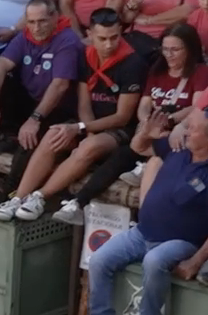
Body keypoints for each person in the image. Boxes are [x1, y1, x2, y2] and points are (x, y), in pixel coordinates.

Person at [80, 103, 208, 315]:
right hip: (141, 233)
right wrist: (146, 133)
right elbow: (138, 147)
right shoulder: (179, 149)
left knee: (154, 261)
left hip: (180, 241)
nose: (187, 131)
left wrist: (196, 261)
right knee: (99, 260)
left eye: (193, 129)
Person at [0, 8, 146, 221]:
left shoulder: (133, 63)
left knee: (89, 146)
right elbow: (84, 104)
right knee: (53, 135)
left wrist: (83, 130)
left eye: (114, 37)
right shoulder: (86, 56)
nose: (109, 44)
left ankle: (40, 197)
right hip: (88, 123)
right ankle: (18, 198)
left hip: (118, 129)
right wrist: (85, 129)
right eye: (102, 39)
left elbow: (122, 116)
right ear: (90, 35)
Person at [56, 24, 208, 224]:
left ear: (190, 49)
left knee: (155, 156)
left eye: (175, 50)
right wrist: (147, 122)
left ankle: (147, 219)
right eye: (165, 49)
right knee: (122, 155)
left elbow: (196, 107)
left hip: (177, 134)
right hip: (150, 131)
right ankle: (78, 201)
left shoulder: (200, 72)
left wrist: (167, 121)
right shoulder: (158, 71)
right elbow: (144, 104)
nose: (169, 55)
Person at [0, 0, 82, 207]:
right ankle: (9, 133)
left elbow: (60, 86)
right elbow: (0, 65)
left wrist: (35, 118)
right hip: (30, 98)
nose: (37, 27)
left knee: (31, 137)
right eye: (32, 22)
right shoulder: (24, 37)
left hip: (60, 107)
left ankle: (9, 188)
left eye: (43, 21)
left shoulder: (67, 40)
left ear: (55, 17)